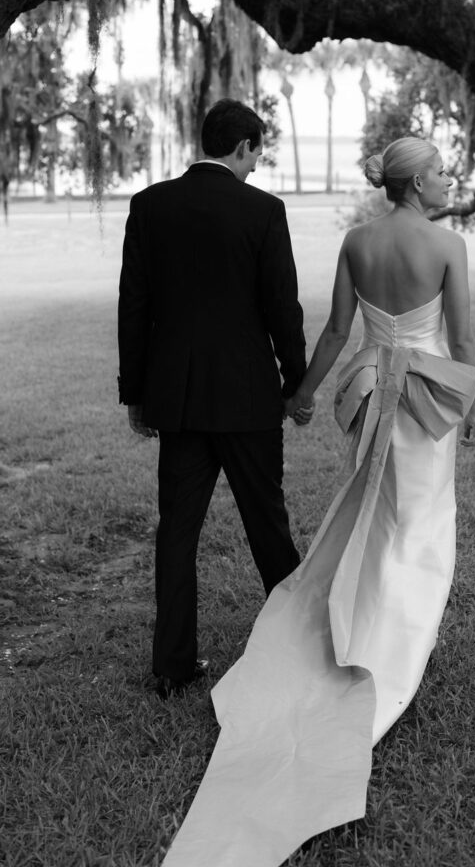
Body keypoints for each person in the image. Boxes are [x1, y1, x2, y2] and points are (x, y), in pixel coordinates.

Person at [159, 136, 475, 867]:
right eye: (436, 170)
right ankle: (391, 645)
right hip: (429, 399)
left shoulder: (356, 241)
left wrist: (302, 394)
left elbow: (338, 329)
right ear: (410, 183)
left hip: (374, 394)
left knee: (374, 514)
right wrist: (473, 405)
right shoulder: (447, 244)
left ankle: (359, 618)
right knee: (419, 524)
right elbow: (460, 336)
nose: (445, 178)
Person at [117, 98, 310, 701]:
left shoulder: (150, 206)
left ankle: (171, 668)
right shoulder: (263, 210)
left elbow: (135, 307)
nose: (257, 166)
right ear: (245, 147)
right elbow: (284, 307)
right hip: (249, 398)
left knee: (176, 532)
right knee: (268, 526)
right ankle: (304, 650)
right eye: (258, 154)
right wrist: (295, 385)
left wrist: (136, 394)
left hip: (177, 401)